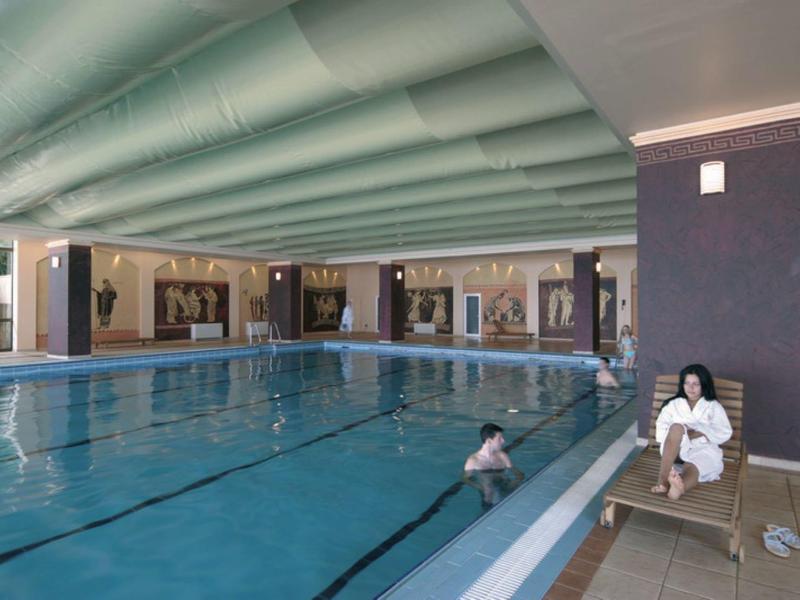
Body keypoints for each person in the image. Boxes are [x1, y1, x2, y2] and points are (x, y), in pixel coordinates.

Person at [651, 364, 732, 500]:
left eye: (696, 384)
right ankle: (663, 481)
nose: (691, 388)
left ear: (704, 385)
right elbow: (661, 425)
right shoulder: (674, 404)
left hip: (701, 449)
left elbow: (724, 431)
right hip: (675, 451)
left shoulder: (712, 406)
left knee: (694, 467)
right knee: (676, 427)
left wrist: (699, 431)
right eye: (687, 383)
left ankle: (679, 489)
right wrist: (683, 433)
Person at [463, 423, 523, 507]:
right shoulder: (473, 460)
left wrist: (515, 482)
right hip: (487, 494)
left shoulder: (502, 456)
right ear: (489, 441)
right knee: (488, 497)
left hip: (505, 487)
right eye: (499, 438)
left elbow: (518, 474)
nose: (503, 441)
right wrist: (481, 488)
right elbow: (466, 479)